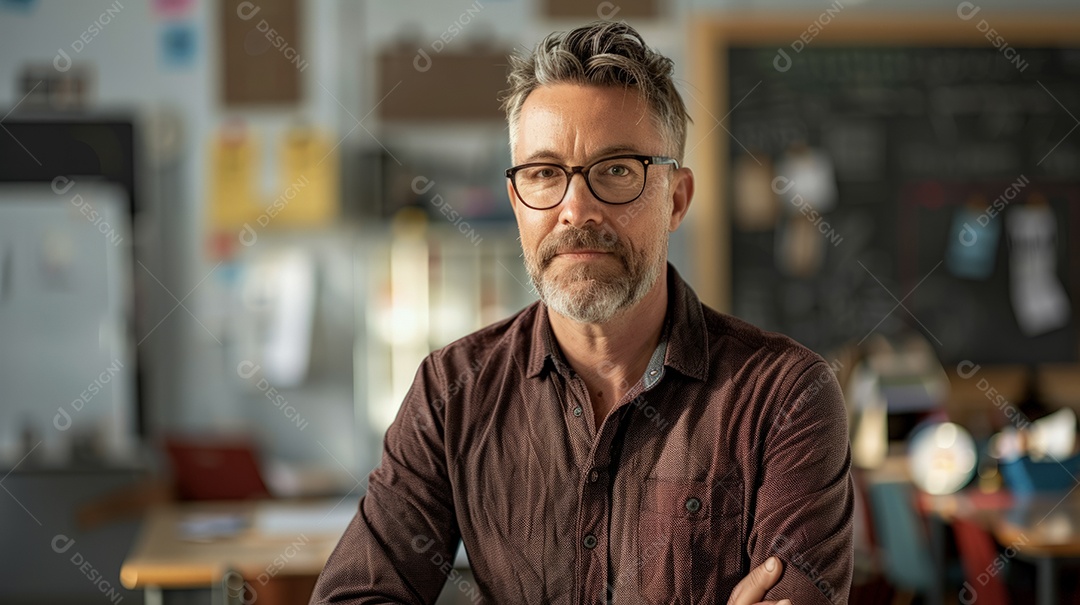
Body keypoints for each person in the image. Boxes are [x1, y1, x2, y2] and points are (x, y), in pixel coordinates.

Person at [310, 20, 853, 605]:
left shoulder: (785, 397)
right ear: (517, 200)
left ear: (676, 199)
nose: (576, 209)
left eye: (617, 170)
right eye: (544, 174)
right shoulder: (453, 392)